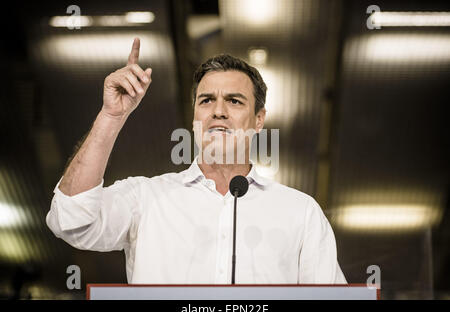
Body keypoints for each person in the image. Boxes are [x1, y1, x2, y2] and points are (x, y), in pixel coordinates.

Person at [46, 38, 347, 284]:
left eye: (234, 100)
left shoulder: (301, 212)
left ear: (258, 120)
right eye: (206, 100)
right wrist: (111, 116)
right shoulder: (145, 198)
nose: (218, 111)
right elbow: (70, 220)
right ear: (194, 119)